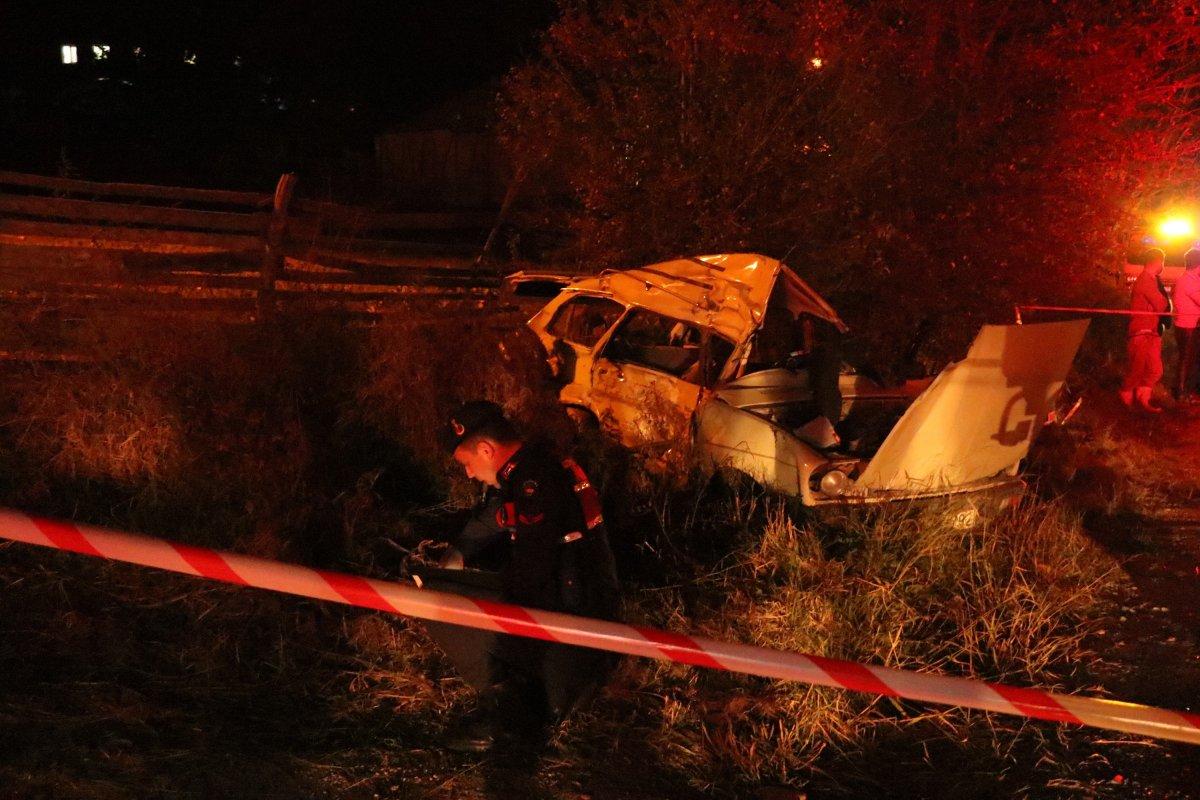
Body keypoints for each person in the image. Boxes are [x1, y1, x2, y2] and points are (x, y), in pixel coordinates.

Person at [439, 400, 621, 753]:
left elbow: (534, 565)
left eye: (467, 464)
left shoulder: (534, 482)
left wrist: (506, 627)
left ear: (486, 450)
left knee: (480, 614)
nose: (469, 474)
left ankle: (509, 718)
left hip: (579, 608)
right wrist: (460, 550)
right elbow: (495, 517)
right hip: (584, 595)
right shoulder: (529, 469)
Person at [1120, 248, 1170, 413]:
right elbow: (1162, 304)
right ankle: (1125, 403)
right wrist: (1167, 300)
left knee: (1155, 369)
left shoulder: (1153, 280)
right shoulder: (1146, 281)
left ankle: (1143, 399)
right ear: (1156, 262)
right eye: (1162, 261)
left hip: (1152, 331)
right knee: (1136, 368)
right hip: (1141, 331)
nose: (1163, 265)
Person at [1173, 248, 1200, 402]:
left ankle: (1187, 391)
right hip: (1187, 326)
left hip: (1191, 325)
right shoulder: (1188, 280)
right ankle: (1182, 392)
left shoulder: (1192, 279)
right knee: (1187, 359)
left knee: (1191, 359)